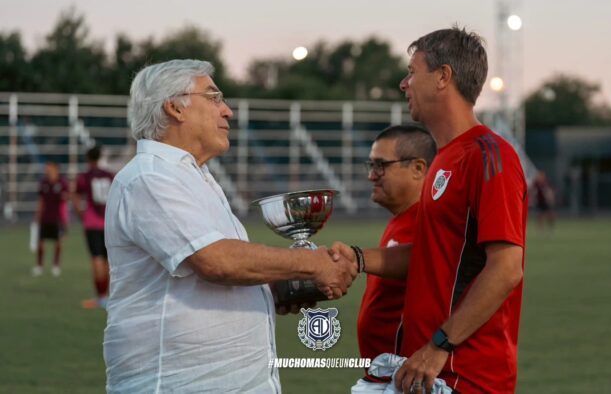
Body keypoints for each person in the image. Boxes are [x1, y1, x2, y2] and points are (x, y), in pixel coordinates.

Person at [103, 59, 357, 393]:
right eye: (214, 98)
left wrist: (272, 290)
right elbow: (216, 261)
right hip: (179, 384)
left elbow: (214, 272)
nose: (228, 111)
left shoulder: (193, 176)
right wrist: (312, 264)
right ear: (174, 108)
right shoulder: (150, 177)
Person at [333, 27, 528, 394]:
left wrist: (439, 344)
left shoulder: (489, 155)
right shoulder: (445, 158)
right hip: (428, 373)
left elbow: (506, 268)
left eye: (412, 72)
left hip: (465, 376)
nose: (404, 83)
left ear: (442, 77)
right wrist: (356, 259)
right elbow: (430, 257)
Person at [353, 125, 435, 391]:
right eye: (370, 166)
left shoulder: (429, 224)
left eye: (380, 166)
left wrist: (350, 260)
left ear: (418, 169)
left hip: (405, 379)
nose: (371, 176)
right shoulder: (402, 220)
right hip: (386, 377)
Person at [71, 145, 114, 309]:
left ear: (88, 159)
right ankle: (108, 296)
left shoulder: (84, 177)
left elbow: (75, 196)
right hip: (109, 223)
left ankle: (101, 297)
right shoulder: (109, 175)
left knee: (96, 259)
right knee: (108, 260)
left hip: (92, 223)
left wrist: (81, 214)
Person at [33, 161, 69, 277]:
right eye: (46, 169)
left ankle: (55, 266)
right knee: (40, 243)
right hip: (45, 217)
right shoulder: (43, 182)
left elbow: (65, 201)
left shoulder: (62, 183)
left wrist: (65, 220)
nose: (47, 170)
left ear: (55, 169)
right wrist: (37, 215)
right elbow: (41, 201)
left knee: (58, 243)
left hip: (57, 219)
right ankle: (39, 265)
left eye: (49, 168)